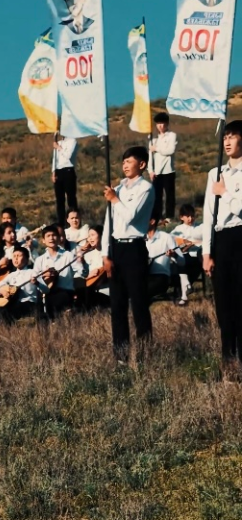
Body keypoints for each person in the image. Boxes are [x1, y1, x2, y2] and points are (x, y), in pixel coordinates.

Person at [102, 146, 155, 363]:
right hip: (116, 248)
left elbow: (131, 216)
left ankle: (145, 355)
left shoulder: (146, 188)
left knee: (139, 304)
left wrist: (115, 200)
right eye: (123, 161)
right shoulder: (117, 188)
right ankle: (121, 356)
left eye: (129, 161)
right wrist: (105, 254)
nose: (125, 165)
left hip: (134, 248)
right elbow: (108, 223)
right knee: (117, 305)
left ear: (141, 164)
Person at [204, 120, 242, 380]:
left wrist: (225, 192)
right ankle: (228, 359)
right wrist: (207, 253)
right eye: (225, 137)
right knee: (223, 303)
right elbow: (209, 215)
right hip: (221, 239)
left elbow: (240, 208)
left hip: (240, 235)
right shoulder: (214, 173)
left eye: (233, 136)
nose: (227, 141)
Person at [34, 226, 76, 320]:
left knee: (56, 299)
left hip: (66, 292)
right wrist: (40, 278)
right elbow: (37, 278)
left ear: (59, 238)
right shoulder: (40, 260)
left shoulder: (68, 256)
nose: (51, 238)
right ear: (43, 240)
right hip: (47, 293)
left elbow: (81, 273)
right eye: (48, 236)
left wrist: (81, 262)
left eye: (54, 235)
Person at [0, 247, 41, 323]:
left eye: (19, 256)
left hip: (29, 304)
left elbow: (46, 290)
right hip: (13, 304)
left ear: (27, 260)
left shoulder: (33, 273)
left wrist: (37, 283)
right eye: (14, 256)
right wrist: (1, 291)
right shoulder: (11, 275)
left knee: (7, 312)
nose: (16, 258)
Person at [170, 203, 203, 306]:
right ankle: (186, 289)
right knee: (180, 260)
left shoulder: (200, 227)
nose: (190, 219)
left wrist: (194, 243)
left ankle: (184, 293)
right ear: (181, 217)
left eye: (192, 216)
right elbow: (173, 242)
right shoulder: (178, 230)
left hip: (197, 255)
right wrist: (184, 245)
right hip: (184, 255)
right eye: (187, 216)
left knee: (192, 263)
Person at [149, 113, 178, 224]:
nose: (161, 126)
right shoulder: (153, 139)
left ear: (167, 123)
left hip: (168, 171)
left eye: (163, 123)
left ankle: (169, 217)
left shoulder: (172, 135)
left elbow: (170, 150)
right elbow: (150, 156)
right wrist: (150, 171)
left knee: (169, 195)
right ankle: (158, 217)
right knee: (157, 196)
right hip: (156, 172)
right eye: (158, 124)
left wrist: (157, 149)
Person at [145, 217, 176, 303]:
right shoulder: (140, 239)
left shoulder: (166, 237)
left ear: (152, 221)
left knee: (140, 292)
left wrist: (173, 255)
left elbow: (182, 261)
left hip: (161, 277)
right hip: (144, 276)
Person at [52, 136, 78, 228]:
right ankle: (61, 223)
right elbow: (55, 159)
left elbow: (68, 155)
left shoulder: (72, 141)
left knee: (71, 198)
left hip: (68, 170)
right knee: (60, 199)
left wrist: (58, 148)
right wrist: (53, 172)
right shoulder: (59, 142)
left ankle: (74, 220)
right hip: (58, 171)